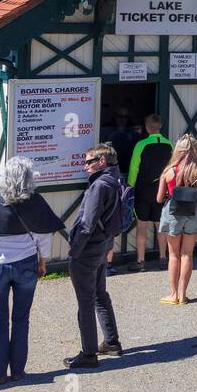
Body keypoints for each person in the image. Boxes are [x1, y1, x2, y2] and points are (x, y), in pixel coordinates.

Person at [0, 157, 62, 387]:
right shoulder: (37, 203)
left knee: (0, 321)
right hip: (26, 265)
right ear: (29, 179)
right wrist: (43, 262)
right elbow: (44, 236)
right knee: (21, 319)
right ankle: (19, 370)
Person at [65, 143, 124, 368]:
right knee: (100, 294)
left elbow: (87, 224)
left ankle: (88, 353)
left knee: (86, 302)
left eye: (89, 162)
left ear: (101, 162)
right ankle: (111, 341)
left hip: (89, 250)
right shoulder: (114, 181)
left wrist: (75, 251)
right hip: (103, 245)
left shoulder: (99, 186)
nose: (85, 166)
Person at [157, 134, 197, 305]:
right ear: (196, 151)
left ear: (178, 151)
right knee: (187, 254)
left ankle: (173, 295)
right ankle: (183, 295)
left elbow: (159, 199)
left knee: (173, 255)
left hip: (173, 213)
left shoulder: (169, 171)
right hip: (193, 212)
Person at [126, 114, 171, 273]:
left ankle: (141, 261)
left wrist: (131, 184)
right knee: (160, 226)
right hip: (161, 191)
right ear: (160, 127)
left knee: (142, 226)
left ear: (147, 127)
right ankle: (163, 258)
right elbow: (171, 168)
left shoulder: (141, 145)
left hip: (143, 191)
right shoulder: (169, 144)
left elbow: (133, 168)